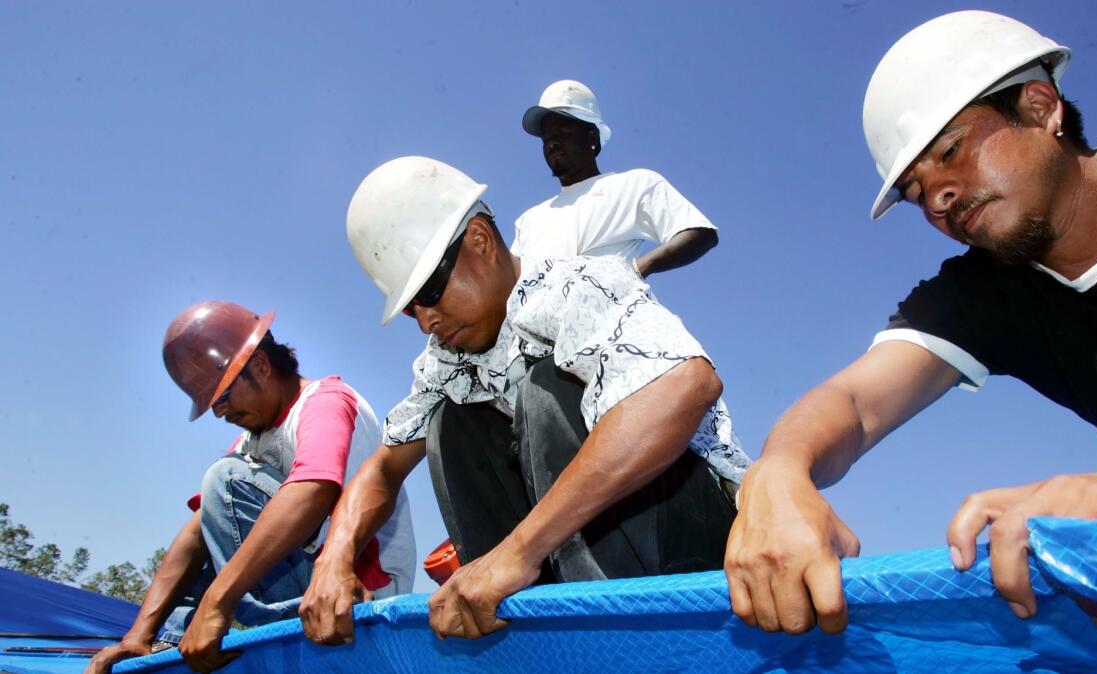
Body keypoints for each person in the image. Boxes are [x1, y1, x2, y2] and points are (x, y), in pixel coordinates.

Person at [725, 10, 1097, 637]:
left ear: (1039, 107)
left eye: (951, 152)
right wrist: (777, 472)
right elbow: (853, 401)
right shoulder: (984, 292)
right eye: (920, 194)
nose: (940, 199)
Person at [300, 156, 747, 644]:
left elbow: (687, 385)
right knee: (452, 425)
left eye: (429, 291)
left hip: (696, 546)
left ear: (480, 242)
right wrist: (334, 558)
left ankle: (625, 641)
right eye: (411, 309)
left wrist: (518, 551)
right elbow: (383, 470)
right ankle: (531, 636)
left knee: (545, 392)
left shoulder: (579, 284)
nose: (426, 321)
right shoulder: (443, 360)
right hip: (568, 563)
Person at [85, 301, 416, 674]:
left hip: (358, 589)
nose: (219, 413)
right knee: (216, 503)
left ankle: (286, 632)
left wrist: (217, 602)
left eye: (223, 397)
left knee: (224, 481)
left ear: (260, 366)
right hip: (308, 580)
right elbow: (199, 531)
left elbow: (313, 489)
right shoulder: (254, 438)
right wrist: (138, 633)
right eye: (212, 403)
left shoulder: (325, 401)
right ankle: (168, 642)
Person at [515, 79, 719, 279]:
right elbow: (507, 286)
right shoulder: (528, 221)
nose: (553, 143)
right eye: (547, 138)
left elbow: (700, 232)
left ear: (592, 138)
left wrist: (636, 269)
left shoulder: (633, 185)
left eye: (563, 132)